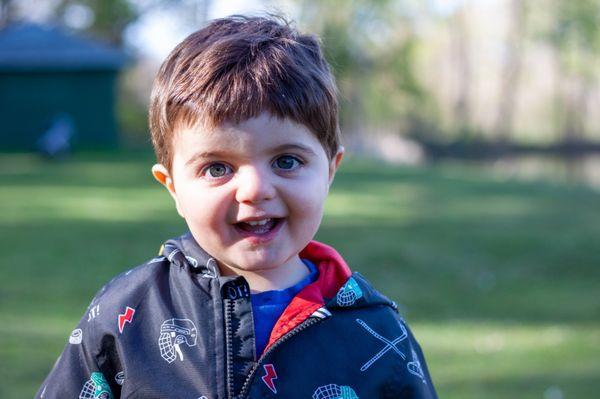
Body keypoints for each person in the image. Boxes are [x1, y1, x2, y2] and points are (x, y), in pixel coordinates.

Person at [37, 15, 438, 399]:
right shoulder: (130, 312)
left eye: (286, 161)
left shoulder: (376, 332)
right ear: (173, 186)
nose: (255, 190)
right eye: (217, 167)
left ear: (329, 171)